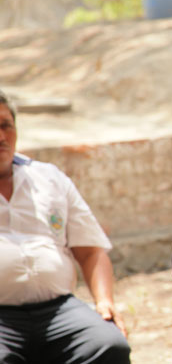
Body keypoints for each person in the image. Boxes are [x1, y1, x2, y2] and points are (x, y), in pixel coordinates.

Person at [0, 91, 131, 363]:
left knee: (109, 345)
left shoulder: (48, 178)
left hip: (60, 311)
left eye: (5, 126)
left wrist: (104, 301)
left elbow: (91, 251)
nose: (1, 138)